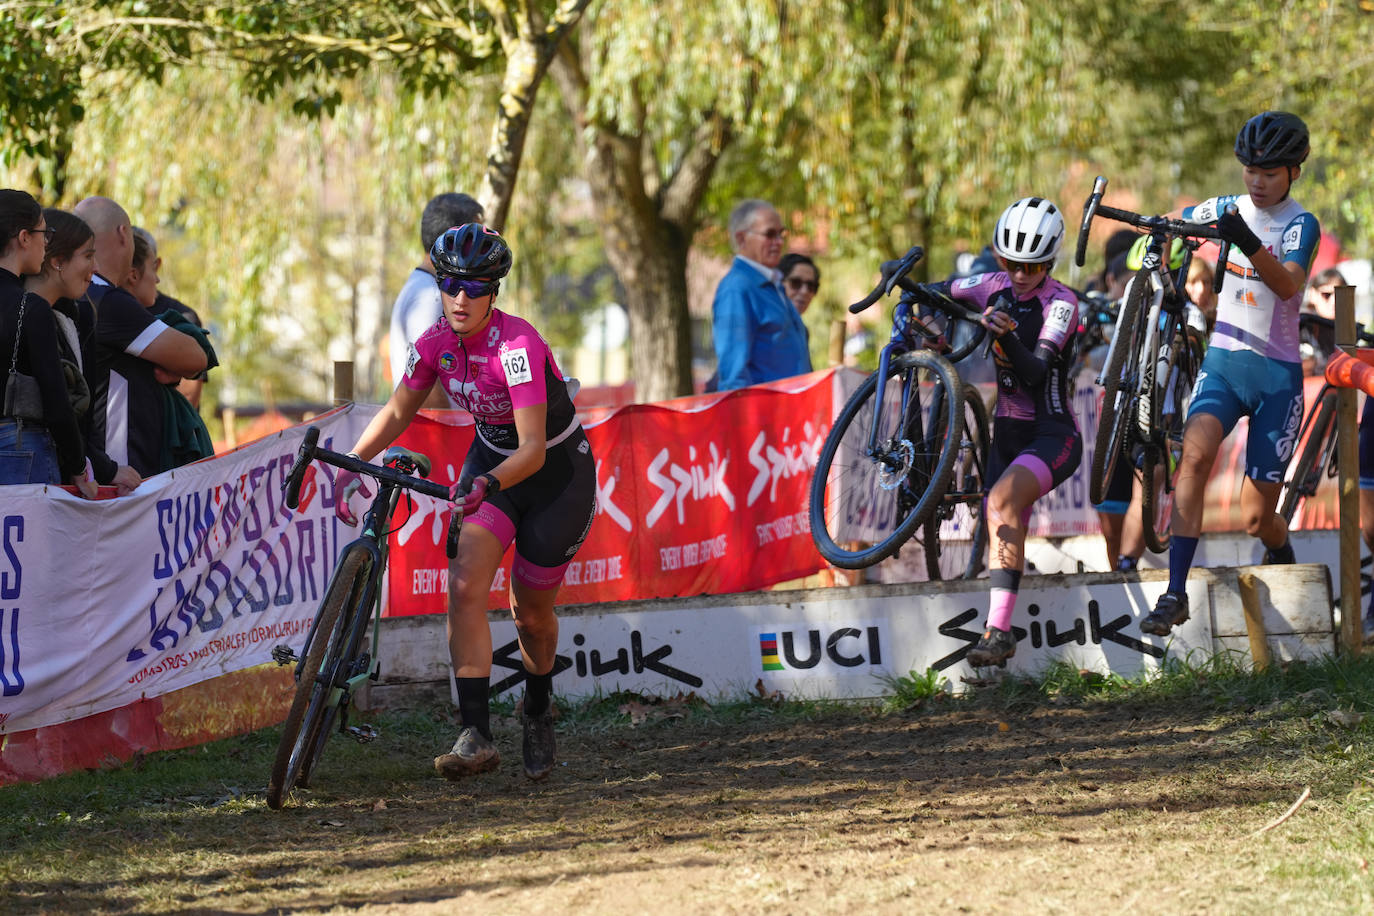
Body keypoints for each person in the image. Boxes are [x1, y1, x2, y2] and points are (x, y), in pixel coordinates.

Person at [333, 224, 595, 781]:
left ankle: (539, 706)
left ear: (493, 292)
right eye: (451, 283)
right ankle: (476, 734)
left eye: (475, 288)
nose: (460, 298)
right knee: (465, 584)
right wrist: (352, 463)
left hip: (553, 472)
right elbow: (398, 411)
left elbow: (530, 452)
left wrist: (486, 484)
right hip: (492, 461)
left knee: (531, 611)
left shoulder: (517, 347)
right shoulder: (432, 343)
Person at [1141, 111, 1320, 636]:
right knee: (1193, 455)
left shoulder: (1300, 224)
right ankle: (1175, 592)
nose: (1257, 181)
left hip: (1278, 377)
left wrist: (1243, 240)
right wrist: (1161, 234)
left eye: (1269, 172)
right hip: (1224, 362)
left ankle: (1280, 546)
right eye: (1250, 170)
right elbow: (1176, 222)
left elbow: (1288, 285)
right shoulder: (1227, 207)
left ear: (1293, 172)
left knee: (1254, 519)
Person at [924, 197, 1082, 666]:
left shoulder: (1062, 304)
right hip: (1007, 431)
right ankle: (1000, 632)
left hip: (1052, 434)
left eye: (1031, 267)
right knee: (1003, 523)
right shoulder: (991, 284)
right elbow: (941, 290)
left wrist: (1006, 334)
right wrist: (905, 285)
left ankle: (997, 632)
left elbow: (1035, 372)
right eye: (1010, 263)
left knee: (1002, 502)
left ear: (1050, 263)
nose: (1018, 275)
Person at [73, 197, 208, 477]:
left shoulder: (75, 295)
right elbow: (196, 358)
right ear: (124, 234)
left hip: (90, 466)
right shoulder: (107, 300)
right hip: (120, 473)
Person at [22, 207, 140, 495]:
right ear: (58, 261)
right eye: (88, 256)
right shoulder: (22, 314)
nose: (96, 268)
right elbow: (57, 406)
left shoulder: (77, 318)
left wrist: (98, 468)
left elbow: (81, 420)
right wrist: (91, 468)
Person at [0, 190, 92, 491]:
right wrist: (79, 465)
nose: (46, 242)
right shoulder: (30, 307)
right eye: (44, 233)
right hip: (19, 447)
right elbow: (56, 401)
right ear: (24, 238)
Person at [125, 227, 215, 470]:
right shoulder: (106, 308)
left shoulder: (180, 316)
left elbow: (189, 390)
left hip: (166, 446)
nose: (156, 279)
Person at [388, 192, 485, 408]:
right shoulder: (429, 297)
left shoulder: (426, 289)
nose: (481, 249)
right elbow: (428, 389)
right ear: (454, 241)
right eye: (475, 240)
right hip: (435, 438)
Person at [711, 199, 811, 391]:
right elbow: (733, 377)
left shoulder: (773, 285)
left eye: (781, 234)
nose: (779, 242)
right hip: (765, 417)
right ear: (741, 239)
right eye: (770, 234)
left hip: (793, 415)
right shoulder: (737, 288)